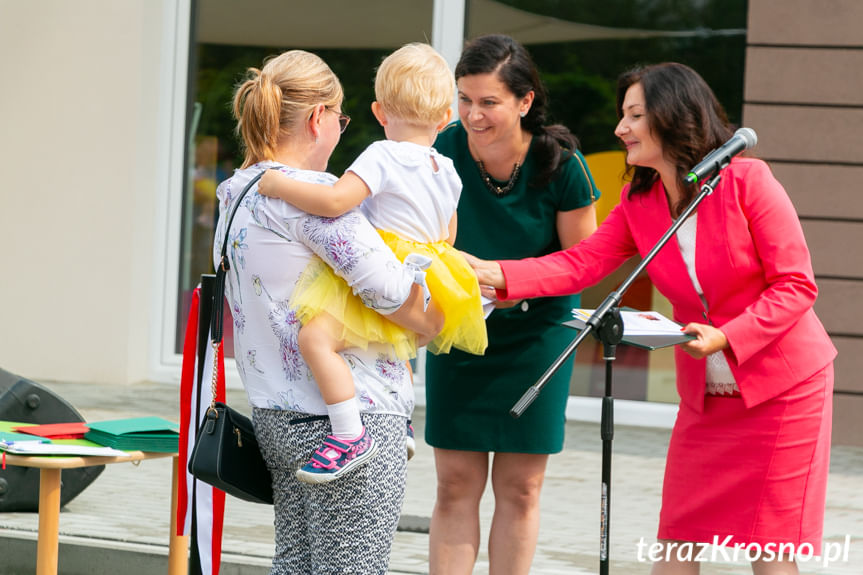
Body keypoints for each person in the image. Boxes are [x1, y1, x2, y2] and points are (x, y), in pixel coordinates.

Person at [467, 62, 836, 574]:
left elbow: (797, 285)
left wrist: (728, 337)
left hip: (783, 392)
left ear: (674, 117)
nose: (620, 129)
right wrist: (497, 273)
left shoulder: (748, 180)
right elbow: (582, 262)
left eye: (635, 115)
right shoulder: (640, 202)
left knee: (767, 546)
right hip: (705, 400)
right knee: (677, 539)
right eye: (623, 115)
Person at [214, 49, 443, 574]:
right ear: (319, 118)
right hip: (351, 422)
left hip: (275, 413)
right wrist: (435, 319)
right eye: (340, 119)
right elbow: (392, 293)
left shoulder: (237, 191)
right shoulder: (314, 194)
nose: (341, 131)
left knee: (294, 565)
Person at [257, 42, 487, 484]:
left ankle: (348, 435)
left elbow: (334, 202)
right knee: (396, 343)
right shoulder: (449, 169)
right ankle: (401, 418)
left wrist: (278, 185)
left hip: (385, 264)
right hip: (432, 272)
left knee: (315, 340)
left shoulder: (382, 155)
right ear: (445, 119)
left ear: (380, 112)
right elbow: (448, 234)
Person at [423, 34, 600, 574]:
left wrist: (507, 281)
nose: (472, 115)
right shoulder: (441, 150)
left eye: (488, 102)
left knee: (521, 488)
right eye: (464, 99)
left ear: (524, 102)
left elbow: (583, 262)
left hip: (539, 337)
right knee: (455, 483)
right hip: (459, 329)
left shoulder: (563, 164)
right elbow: (415, 240)